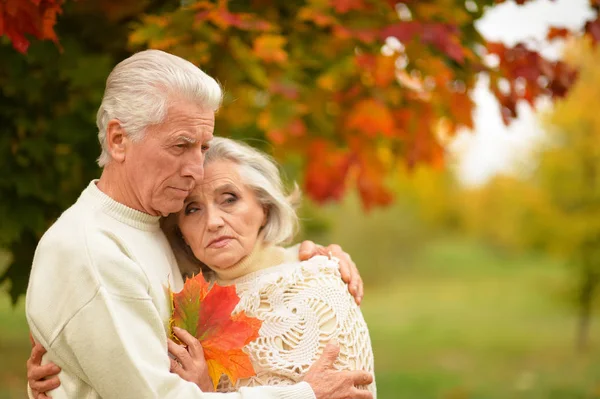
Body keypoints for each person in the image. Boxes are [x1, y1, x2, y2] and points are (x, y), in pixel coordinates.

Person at [25, 49, 372, 399]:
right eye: (181, 145)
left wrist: (304, 257)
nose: (196, 168)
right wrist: (306, 395)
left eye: (203, 147)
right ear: (118, 140)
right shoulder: (92, 250)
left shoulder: (153, 226)